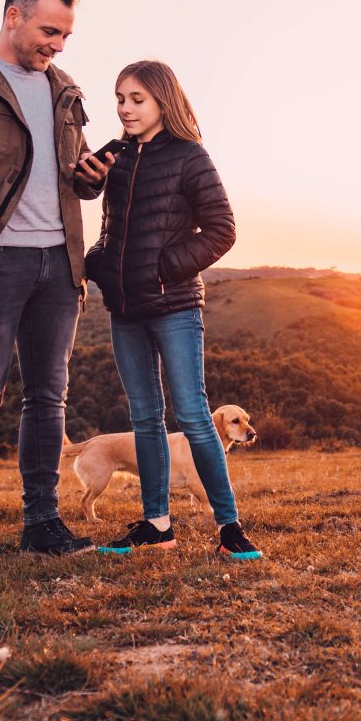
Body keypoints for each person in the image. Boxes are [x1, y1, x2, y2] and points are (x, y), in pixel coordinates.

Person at [0, 0, 112, 563]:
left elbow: (68, 175)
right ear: (13, 16)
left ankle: (42, 523)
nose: (57, 45)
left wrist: (90, 178)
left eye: (65, 36)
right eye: (49, 31)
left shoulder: (64, 89)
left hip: (60, 263)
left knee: (49, 398)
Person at [83, 61, 263, 560]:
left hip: (174, 305)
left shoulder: (189, 156)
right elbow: (107, 226)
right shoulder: (117, 157)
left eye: (137, 99)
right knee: (145, 418)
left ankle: (229, 527)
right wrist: (98, 262)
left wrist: (162, 269)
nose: (125, 108)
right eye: (120, 99)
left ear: (163, 100)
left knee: (193, 415)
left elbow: (222, 230)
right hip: (125, 309)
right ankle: (157, 524)